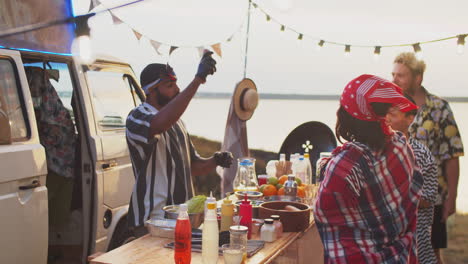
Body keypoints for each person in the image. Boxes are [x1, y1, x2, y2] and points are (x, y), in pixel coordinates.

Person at [313, 74, 423, 263]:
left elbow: (325, 212)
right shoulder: (400, 146)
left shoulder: (345, 166)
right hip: (401, 256)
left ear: (347, 116)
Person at [125, 51, 233, 229]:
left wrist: (215, 160)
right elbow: (159, 124)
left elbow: (192, 167)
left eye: (176, 84)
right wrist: (198, 79)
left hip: (182, 219)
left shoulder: (177, 122)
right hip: (152, 220)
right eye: (169, 85)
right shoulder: (137, 117)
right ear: (151, 91)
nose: (176, 90)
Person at [392, 52, 464, 263]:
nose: (394, 80)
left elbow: (452, 154)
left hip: (433, 195)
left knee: (431, 252)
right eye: (393, 74)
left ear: (418, 78)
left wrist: (452, 196)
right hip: (399, 197)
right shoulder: (390, 109)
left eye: (401, 76)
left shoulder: (439, 108)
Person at [387, 95, 438, 264]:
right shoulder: (379, 151)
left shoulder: (421, 154)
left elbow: (428, 199)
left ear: (410, 118)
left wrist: (394, 195)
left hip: (416, 236)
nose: (386, 118)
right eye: (384, 114)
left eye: (393, 114)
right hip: (387, 236)